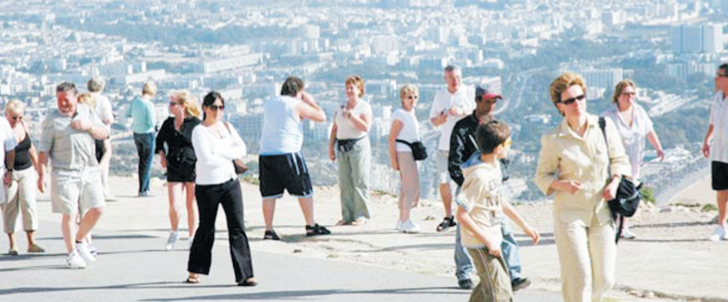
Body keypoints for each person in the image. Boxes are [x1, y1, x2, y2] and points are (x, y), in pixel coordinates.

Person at [535, 72, 631, 302]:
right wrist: (561, 184)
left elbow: (620, 160)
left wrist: (615, 181)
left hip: (602, 213)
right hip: (569, 216)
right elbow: (541, 177)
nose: (577, 103)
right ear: (560, 106)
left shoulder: (604, 126)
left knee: (606, 278)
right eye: (570, 100)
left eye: (580, 97)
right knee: (579, 278)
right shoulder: (553, 138)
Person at [449, 87, 531, 291]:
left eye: (494, 101)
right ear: (477, 101)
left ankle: (514, 273)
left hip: (494, 186)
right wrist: (467, 181)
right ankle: (465, 272)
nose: (491, 105)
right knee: (465, 231)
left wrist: (500, 175)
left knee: (504, 228)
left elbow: (504, 155)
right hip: (472, 185)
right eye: (487, 101)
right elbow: (454, 160)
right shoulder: (462, 127)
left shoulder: (497, 126)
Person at [456, 120, 540, 302]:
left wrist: (524, 226)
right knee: (500, 292)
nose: (511, 147)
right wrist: (487, 241)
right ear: (498, 148)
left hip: (492, 238)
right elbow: (462, 214)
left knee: (490, 286)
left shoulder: (494, 168)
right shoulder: (479, 176)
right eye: (508, 143)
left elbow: (499, 200)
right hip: (480, 243)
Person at [186, 92, 256, 286]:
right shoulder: (199, 131)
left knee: (237, 227)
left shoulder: (227, 127)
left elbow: (241, 149)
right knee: (207, 228)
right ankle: (195, 269)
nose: (217, 111)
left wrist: (221, 153)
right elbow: (206, 159)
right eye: (214, 107)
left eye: (221, 107)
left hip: (230, 182)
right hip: (208, 186)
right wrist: (227, 155)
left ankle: (245, 274)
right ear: (205, 108)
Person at [38, 82, 108, 269]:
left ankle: (79, 240)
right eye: (59, 99)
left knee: (98, 208)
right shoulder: (52, 119)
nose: (62, 103)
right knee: (70, 213)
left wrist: (88, 126)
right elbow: (43, 149)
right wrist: (42, 174)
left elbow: (104, 133)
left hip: (89, 169)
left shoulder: (87, 112)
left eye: (66, 99)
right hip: (64, 171)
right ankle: (71, 253)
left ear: (75, 98)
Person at [259, 76, 331, 240]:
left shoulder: (270, 103)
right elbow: (321, 117)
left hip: (266, 152)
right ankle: (310, 224)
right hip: (288, 152)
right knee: (304, 190)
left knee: (269, 194)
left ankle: (269, 230)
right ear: (298, 92)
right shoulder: (296, 104)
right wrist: (310, 101)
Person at [604, 80, 664, 240]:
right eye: (626, 94)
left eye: (632, 94)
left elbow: (649, 130)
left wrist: (658, 147)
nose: (629, 97)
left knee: (629, 193)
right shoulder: (609, 116)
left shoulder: (639, 112)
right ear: (617, 96)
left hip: (635, 161)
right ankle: (613, 226)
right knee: (617, 193)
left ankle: (624, 227)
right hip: (615, 162)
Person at [429, 64, 476, 234]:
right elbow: (432, 119)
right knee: (444, 181)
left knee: (465, 181)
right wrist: (441, 119)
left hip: (465, 147)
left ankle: (466, 214)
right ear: (445, 79)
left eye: (458, 78)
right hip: (445, 145)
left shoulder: (469, 92)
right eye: (451, 78)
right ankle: (448, 216)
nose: (455, 81)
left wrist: (461, 111)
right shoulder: (440, 94)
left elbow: (477, 113)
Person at [155, 90, 201, 250]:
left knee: (191, 203)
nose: (170, 106)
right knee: (174, 204)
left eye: (173, 103)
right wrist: (162, 156)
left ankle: (192, 235)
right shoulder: (168, 123)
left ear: (183, 106)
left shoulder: (195, 123)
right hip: (174, 165)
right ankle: (174, 232)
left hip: (192, 165)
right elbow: (159, 141)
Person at [328, 75, 372, 226]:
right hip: (341, 145)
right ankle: (347, 215)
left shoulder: (364, 107)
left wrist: (352, 117)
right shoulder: (340, 106)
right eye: (347, 88)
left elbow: (366, 127)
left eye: (352, 88)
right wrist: (331, 148)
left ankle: (362, 215)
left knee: (359, 181)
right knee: (345, 182)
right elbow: (335, 127)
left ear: (359, 90)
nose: (349, 90)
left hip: (358, 145)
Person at [388, 84, 421, 233]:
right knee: (410, 187)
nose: (413, 100)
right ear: (402, 98)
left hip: (409, 152)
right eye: (409, 97)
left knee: (405, 187)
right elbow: (392, 138)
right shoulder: (400, 115)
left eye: (415, 97)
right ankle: (405, 219)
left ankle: (402, 219)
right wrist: (393, 160)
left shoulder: (410, 113)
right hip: (404, 152)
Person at [704, 63, 728, 242]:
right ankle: (721, 225)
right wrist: (707, 139)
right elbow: (713, 122)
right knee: (721, 191)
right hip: (719, 152)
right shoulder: (717, 98)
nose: (716, 79)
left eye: (719, 75)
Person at [125, 81, 157, 197]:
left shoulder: (135, 101)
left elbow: (127, 114)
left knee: (142, 161)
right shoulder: (148, 104)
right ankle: (144, 189)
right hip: (147, 134)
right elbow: (152, 122)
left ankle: (143, 188)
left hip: (136, 133)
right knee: (147, 161)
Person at [87, 77, 116, 202]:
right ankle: (104, 191)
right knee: (104, 162)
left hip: (87, 133)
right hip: (102, 133)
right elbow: (108, 119)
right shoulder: (103, 100)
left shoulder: (84, 98)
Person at [0, 100, 23, 255]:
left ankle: (12, 243)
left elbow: (10, 149)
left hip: (0, 171)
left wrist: (9, 170)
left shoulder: (2, 124)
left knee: (6, 207)